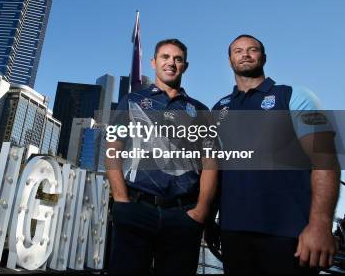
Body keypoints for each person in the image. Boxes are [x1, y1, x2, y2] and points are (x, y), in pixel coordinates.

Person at [213, 34, 340, 274]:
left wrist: (321, 224)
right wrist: (211, 220)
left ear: (264, 57)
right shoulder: (219, 108)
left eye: (252, 50)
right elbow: (216, 170)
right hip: (234, 234)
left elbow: (326, 160)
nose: (245, 55)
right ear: (229, 59)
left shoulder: (294, 96)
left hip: (289, 235)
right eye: (238, 51)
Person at [106, 38, 218, 274]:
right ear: (153, 62)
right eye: (165, 57)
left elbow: (211, 164)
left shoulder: (200, 111)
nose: (171, 63)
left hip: (183, 215)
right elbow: (112, 150)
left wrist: (200, 212)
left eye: (178, 59)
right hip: (136, 209)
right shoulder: (131, 101)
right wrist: (121, 200)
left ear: (185, 66)